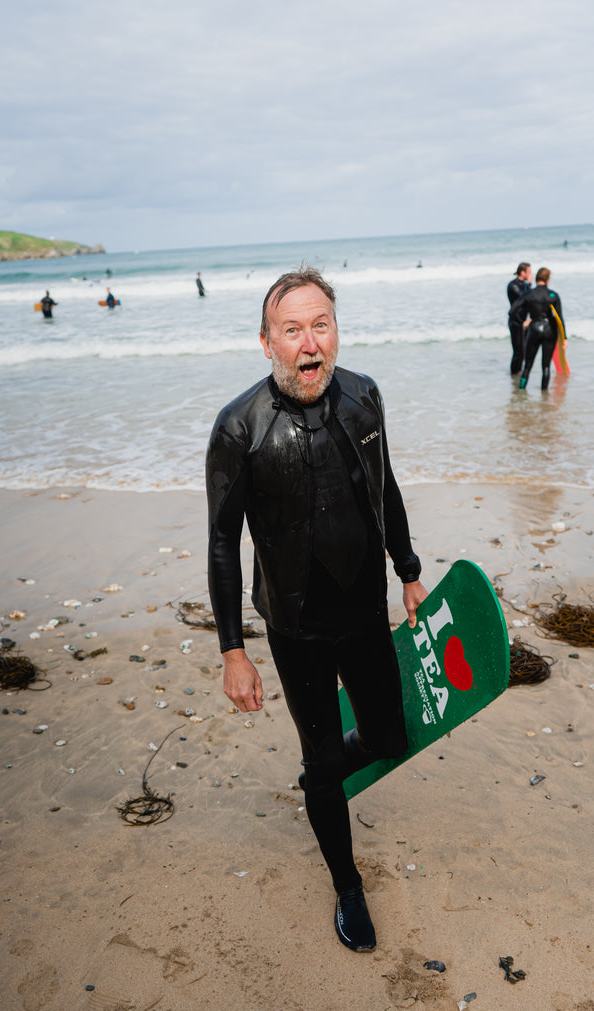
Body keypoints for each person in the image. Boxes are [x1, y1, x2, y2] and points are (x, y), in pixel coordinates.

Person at [206, 267, 428, 952]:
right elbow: (221, 542)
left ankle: (321, 768)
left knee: (391, 741)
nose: (310, 342)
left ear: (337, 331)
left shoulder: (365, 397)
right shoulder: (239, 428)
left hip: (364, 609)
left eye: (321, 324)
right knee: (326, 760)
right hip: (296, 623)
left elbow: (384, 486)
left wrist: (410, 571)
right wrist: (233, 651)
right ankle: (347, 884)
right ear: (266, 341)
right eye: (293, 329)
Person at [510, 267, 566, 391]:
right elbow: (560, 319)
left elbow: (512, 311)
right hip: (549, 331)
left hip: (534, 329)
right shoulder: (553, 295)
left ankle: (520, 392)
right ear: (548, 279)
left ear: (536, 278)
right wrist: (564, 338)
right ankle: (544, 396)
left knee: (527, 366)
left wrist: (521, 322)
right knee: (546, 366)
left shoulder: (529, 294)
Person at [506, 262, 532, 375]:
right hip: (515, 321)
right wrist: (530, 283)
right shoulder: (513, 285)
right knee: (518, 352)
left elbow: (531, 297)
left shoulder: (525, 285)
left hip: (525, 322)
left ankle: (518, 377)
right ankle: (513, 375)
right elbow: (524, 297)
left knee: (524, 352)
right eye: (529, 272)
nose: (531, 274)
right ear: (522, 272)